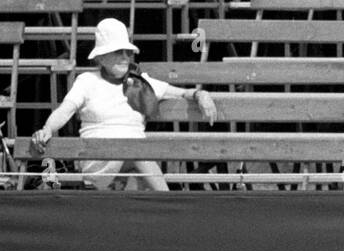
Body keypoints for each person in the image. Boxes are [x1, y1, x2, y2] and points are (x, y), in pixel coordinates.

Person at [30, 18, 216, 190]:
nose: (125, 57)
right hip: (99, 156)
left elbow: (182, 92)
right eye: (118, 52)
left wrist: (201, 94)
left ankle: (163, 205)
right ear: (100, 58)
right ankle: (169, 202)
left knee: (137, 153)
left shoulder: (140, 82)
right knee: (137, 153)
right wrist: (47, 128)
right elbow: (65, 110)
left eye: (128, 52)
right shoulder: (87, 80)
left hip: (135, 157)